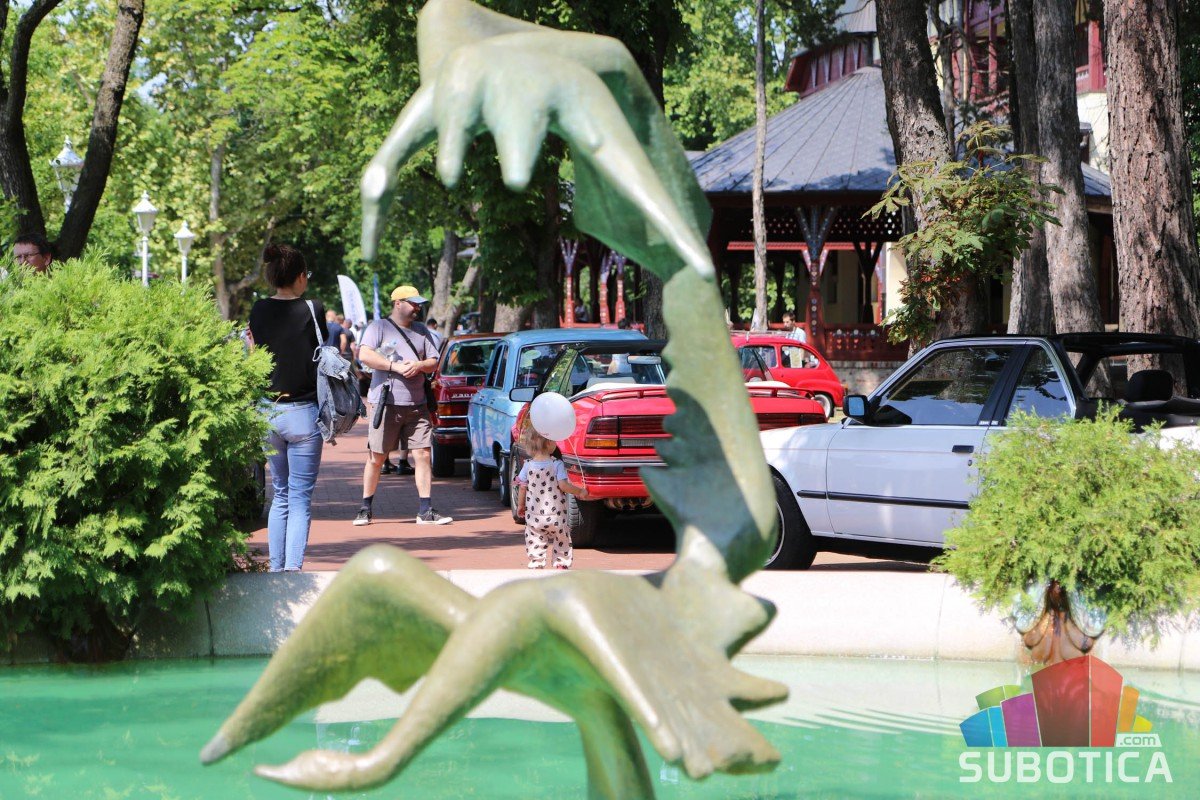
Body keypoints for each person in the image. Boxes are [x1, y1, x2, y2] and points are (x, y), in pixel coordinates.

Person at [247, 244, 327, 572]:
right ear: (299, 277)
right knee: (299, 497)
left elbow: (256, 354)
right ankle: (293, 571)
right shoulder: (313, 309)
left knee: (280, 494)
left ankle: (276, 570)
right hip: (304, 412)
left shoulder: (258, 310)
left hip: (269, 412)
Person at [355, 284, 452, 525]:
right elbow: (364, 355)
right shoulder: (379, 327)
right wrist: (394, 367)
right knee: (377, 457)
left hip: (417, 404)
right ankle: (365, 508)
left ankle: (425, 510)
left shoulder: (422, 330)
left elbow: (433, 361)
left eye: (419, 304)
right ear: (398, 303)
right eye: (413, 303)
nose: (417, 308)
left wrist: (419, 366)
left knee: (423, 454)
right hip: (385, 403)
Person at [515, 419, 589, 569]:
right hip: (556, 514)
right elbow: (563, 485)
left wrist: (521, 506)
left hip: (534, 515)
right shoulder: (556, 464)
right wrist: (580, 491)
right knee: (562, 538)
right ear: (549, 443)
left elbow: (522, 487)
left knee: (534, 538)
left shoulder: (527, 466)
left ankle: (536, 562)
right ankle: (561, 563)